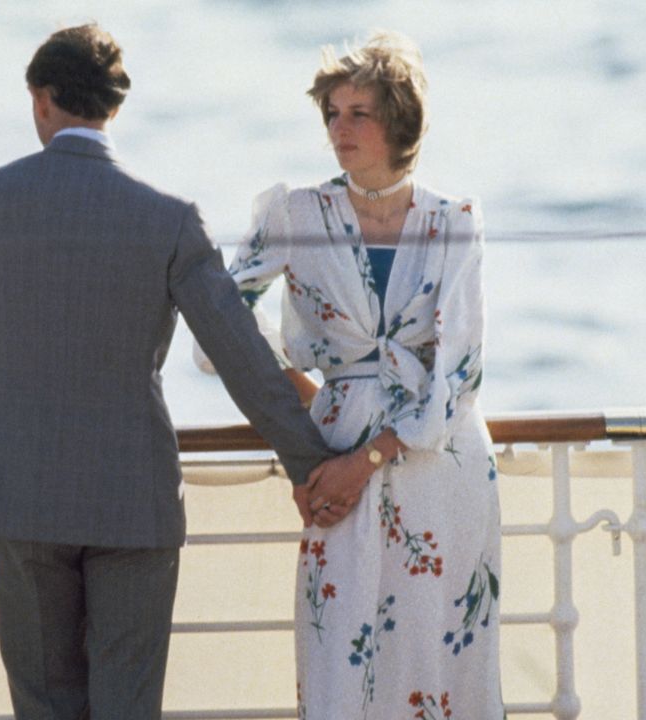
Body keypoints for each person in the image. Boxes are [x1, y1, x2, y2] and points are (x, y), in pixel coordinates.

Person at [0, 24, 361, 720]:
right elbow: (244, 360)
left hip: (21, 493)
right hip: (135, 501)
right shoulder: (171, 220)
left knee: (46, 706)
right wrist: (312, 466)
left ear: (41, 101)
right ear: (114, 109)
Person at [214, 32, 504, 718]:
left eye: (358, 113)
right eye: (331, 113)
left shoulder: (453, 222)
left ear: (399, 122)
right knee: (340, 652)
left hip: (441, 463)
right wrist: (300, 391)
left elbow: (461, 368)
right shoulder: (297, 213)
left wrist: (373, 454)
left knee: (441, 647)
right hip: (334, 448)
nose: (339, 129)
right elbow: (222, 316)